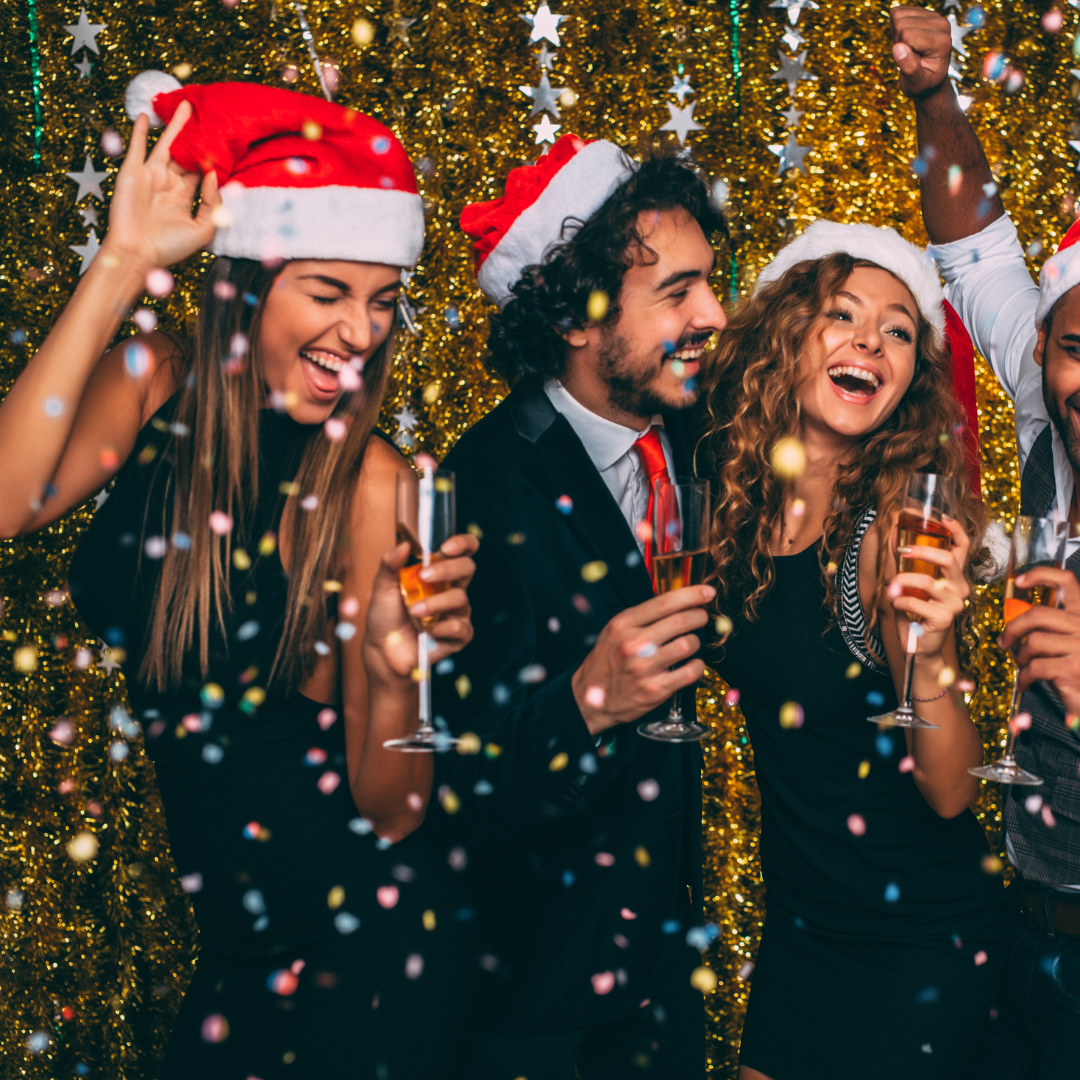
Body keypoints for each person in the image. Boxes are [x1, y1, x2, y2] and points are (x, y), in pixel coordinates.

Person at [0, 75, 478, 1078]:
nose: (360, 332)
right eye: (327, 292)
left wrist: (396, 677)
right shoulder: (156, 384)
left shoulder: (378, 486)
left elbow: (394, 809)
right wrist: (123, 262)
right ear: (251, 282)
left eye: (381, 301)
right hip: (240, 958)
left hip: (361, 965)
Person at [429, 136, 726, 1078]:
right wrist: (586, 702)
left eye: (710, 284)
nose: (713, 314)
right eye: (677, 292)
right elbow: (437, 783)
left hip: (671, 986)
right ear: (575, 314)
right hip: (537, 1005)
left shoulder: (702, 438)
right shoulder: (476, 488)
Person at [697, 218, 1008, 1079]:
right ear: (784, 337)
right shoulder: (730, 505)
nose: (871, 338)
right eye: (842, 314)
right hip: (802, 926)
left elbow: (950, 793)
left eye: (900, 330)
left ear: (909, 379)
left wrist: (934, 645)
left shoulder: (893, 533)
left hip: (919, 936)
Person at [891, 6, 1080, 1075]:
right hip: (1031, 938)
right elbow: (974, 247)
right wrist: (933, 95)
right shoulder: (1048, 409)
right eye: (1075, 348)